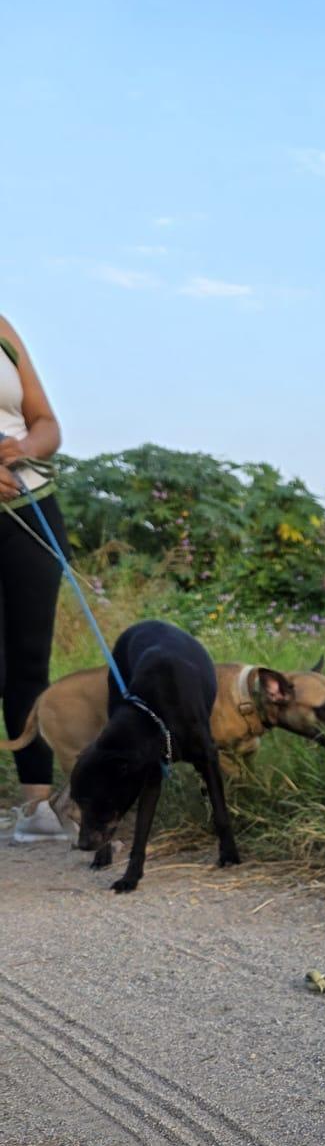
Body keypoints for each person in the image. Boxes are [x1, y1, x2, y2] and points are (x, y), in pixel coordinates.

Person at [0, 314, 69, 843]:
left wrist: (23, 449)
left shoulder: (2, 327)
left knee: (29, 659)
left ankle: (38, 806)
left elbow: (45, 422)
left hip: (30, 510)